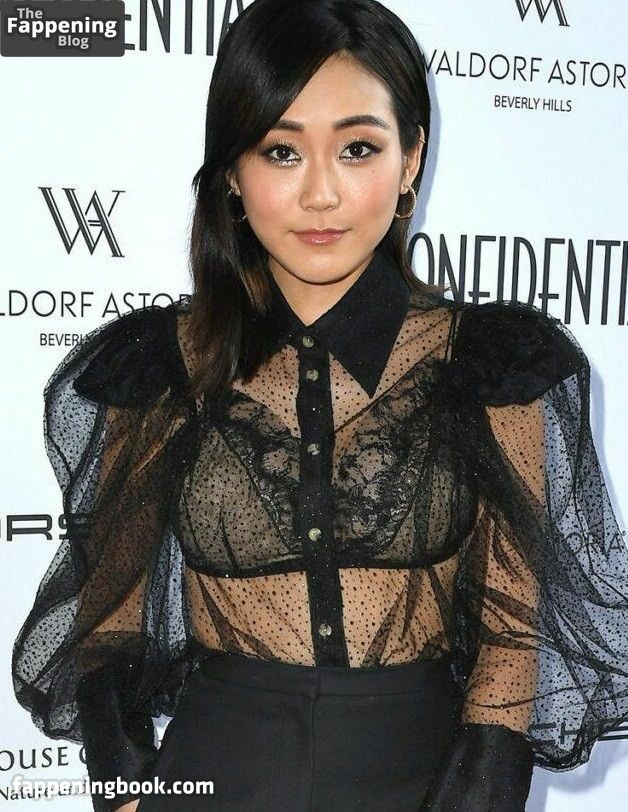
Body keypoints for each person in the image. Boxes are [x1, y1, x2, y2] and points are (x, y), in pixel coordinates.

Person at [11, 0, 628, 810]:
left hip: (423, 784)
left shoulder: (495, 367)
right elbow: (109, 624)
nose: (322, 193)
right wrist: (129, 798)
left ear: (411, 160)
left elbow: (513, 643)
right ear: (232, 172)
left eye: (358, 148)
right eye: (281, 150)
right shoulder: (155, 372)